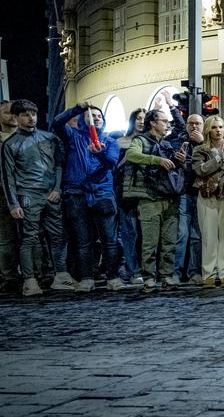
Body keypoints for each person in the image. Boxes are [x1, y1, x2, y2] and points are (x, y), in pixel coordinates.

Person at [1, 100, 76, 296]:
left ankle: (61, 276)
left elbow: (59, 165)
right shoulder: (10, 144)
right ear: (17, 117)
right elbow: (7, 175)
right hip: (27, 195)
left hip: (51, 195)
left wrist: (57, 189)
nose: (31, 118)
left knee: (58, 236)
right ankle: (29, 280)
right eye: (25, 114)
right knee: (29, 238)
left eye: (33, 114)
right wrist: (13, 203)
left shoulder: (49, 138)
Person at [52, 102, 123, 292]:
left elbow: (111, 163)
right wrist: (77, 109)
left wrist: (99, 155)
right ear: (83, 121)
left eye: (99, 116)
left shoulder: (109, 141)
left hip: (103, 194)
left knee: (109, 239)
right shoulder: (73, 136)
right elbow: (57, 123)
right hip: (77, 194)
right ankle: (86, 277)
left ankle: (113, 277)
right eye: (91, 116)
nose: (96, 119)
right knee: (83, 241)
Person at [122, 109, 186, 289]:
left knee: (169, 242)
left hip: (170, 199)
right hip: (149, 199)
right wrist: (156, 160)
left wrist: (180, 160)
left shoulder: (166, 144)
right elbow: (131, 155)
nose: (167, 125)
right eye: (164, 121)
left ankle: (167, 275)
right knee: (150, 243)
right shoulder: (140, 141)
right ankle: (149, 277)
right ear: (153, 123)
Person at [192, 116, 224, 286]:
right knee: (209, 236)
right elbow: (201, 170)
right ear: (208, 130)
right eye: (214, 127)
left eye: (220, 127)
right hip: (207, 197)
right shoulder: (200, 150)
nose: (218, 130)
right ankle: (209, 274)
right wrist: (219, 159)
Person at [172, 113, 204, 285]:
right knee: (182, 234)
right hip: (184, 193)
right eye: (191, 123)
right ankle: (176, 272)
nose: (194, 127)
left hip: (200, 194)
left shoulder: (206, 143)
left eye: (198, 123)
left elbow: (209, 164)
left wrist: (201, 143)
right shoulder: (178, 142)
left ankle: (194, 272)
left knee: (196, 236)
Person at [115, 108, 146, 284]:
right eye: (138, 118)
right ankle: (133, 269)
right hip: (125, 194)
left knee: (145, 235)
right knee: (129, 233)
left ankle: (143, 268)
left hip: (147, 192)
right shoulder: (120, 142)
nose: (141, 121)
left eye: (144, 118)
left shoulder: (149, 141)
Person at [0, 101, 20, 290]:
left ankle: (40, 273)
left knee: (33, 235)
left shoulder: (29, 137)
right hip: (2, 194)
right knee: (6, 238)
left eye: (15, 112)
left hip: (27, 191)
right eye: (7, 113)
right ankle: (10, 276)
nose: (12, 116)